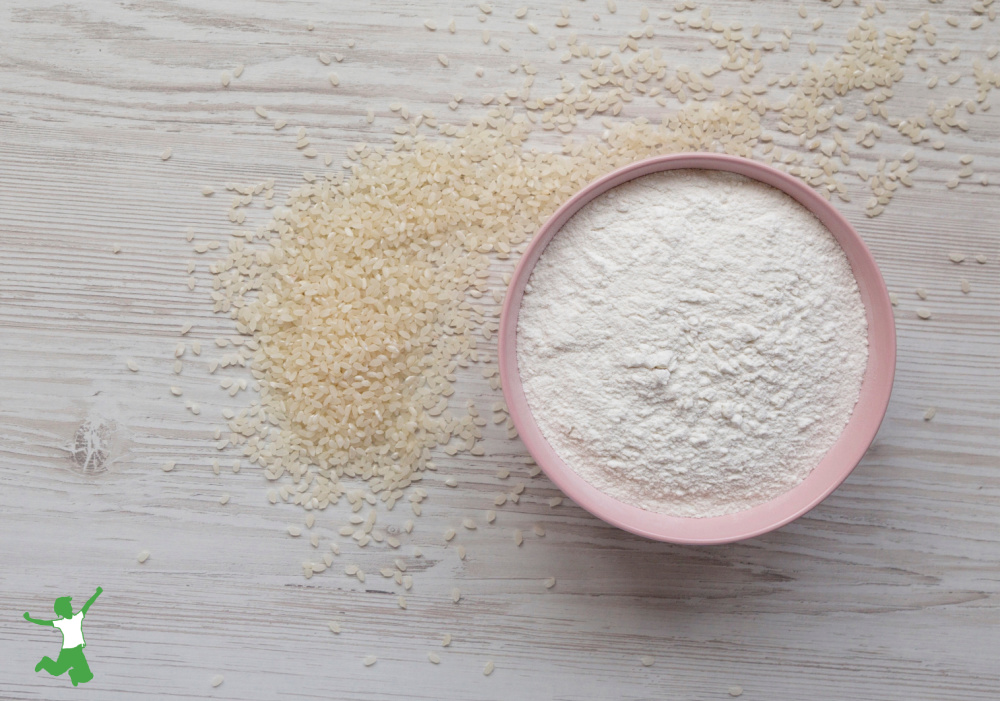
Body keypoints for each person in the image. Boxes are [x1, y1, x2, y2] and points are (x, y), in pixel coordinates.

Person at [23, 586, 102, 686]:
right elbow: (43, 622)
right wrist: (29, 619)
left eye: (69, 605)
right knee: (56, 671)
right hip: (67, 653)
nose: (69, 607)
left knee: (87, 676)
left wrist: (97, 593)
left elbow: (88, 604)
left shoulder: (78, 617)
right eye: (66, 606)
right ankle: (45, 662)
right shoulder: (61, 623)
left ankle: (73, 674)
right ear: (61, 610)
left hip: (77, 652)